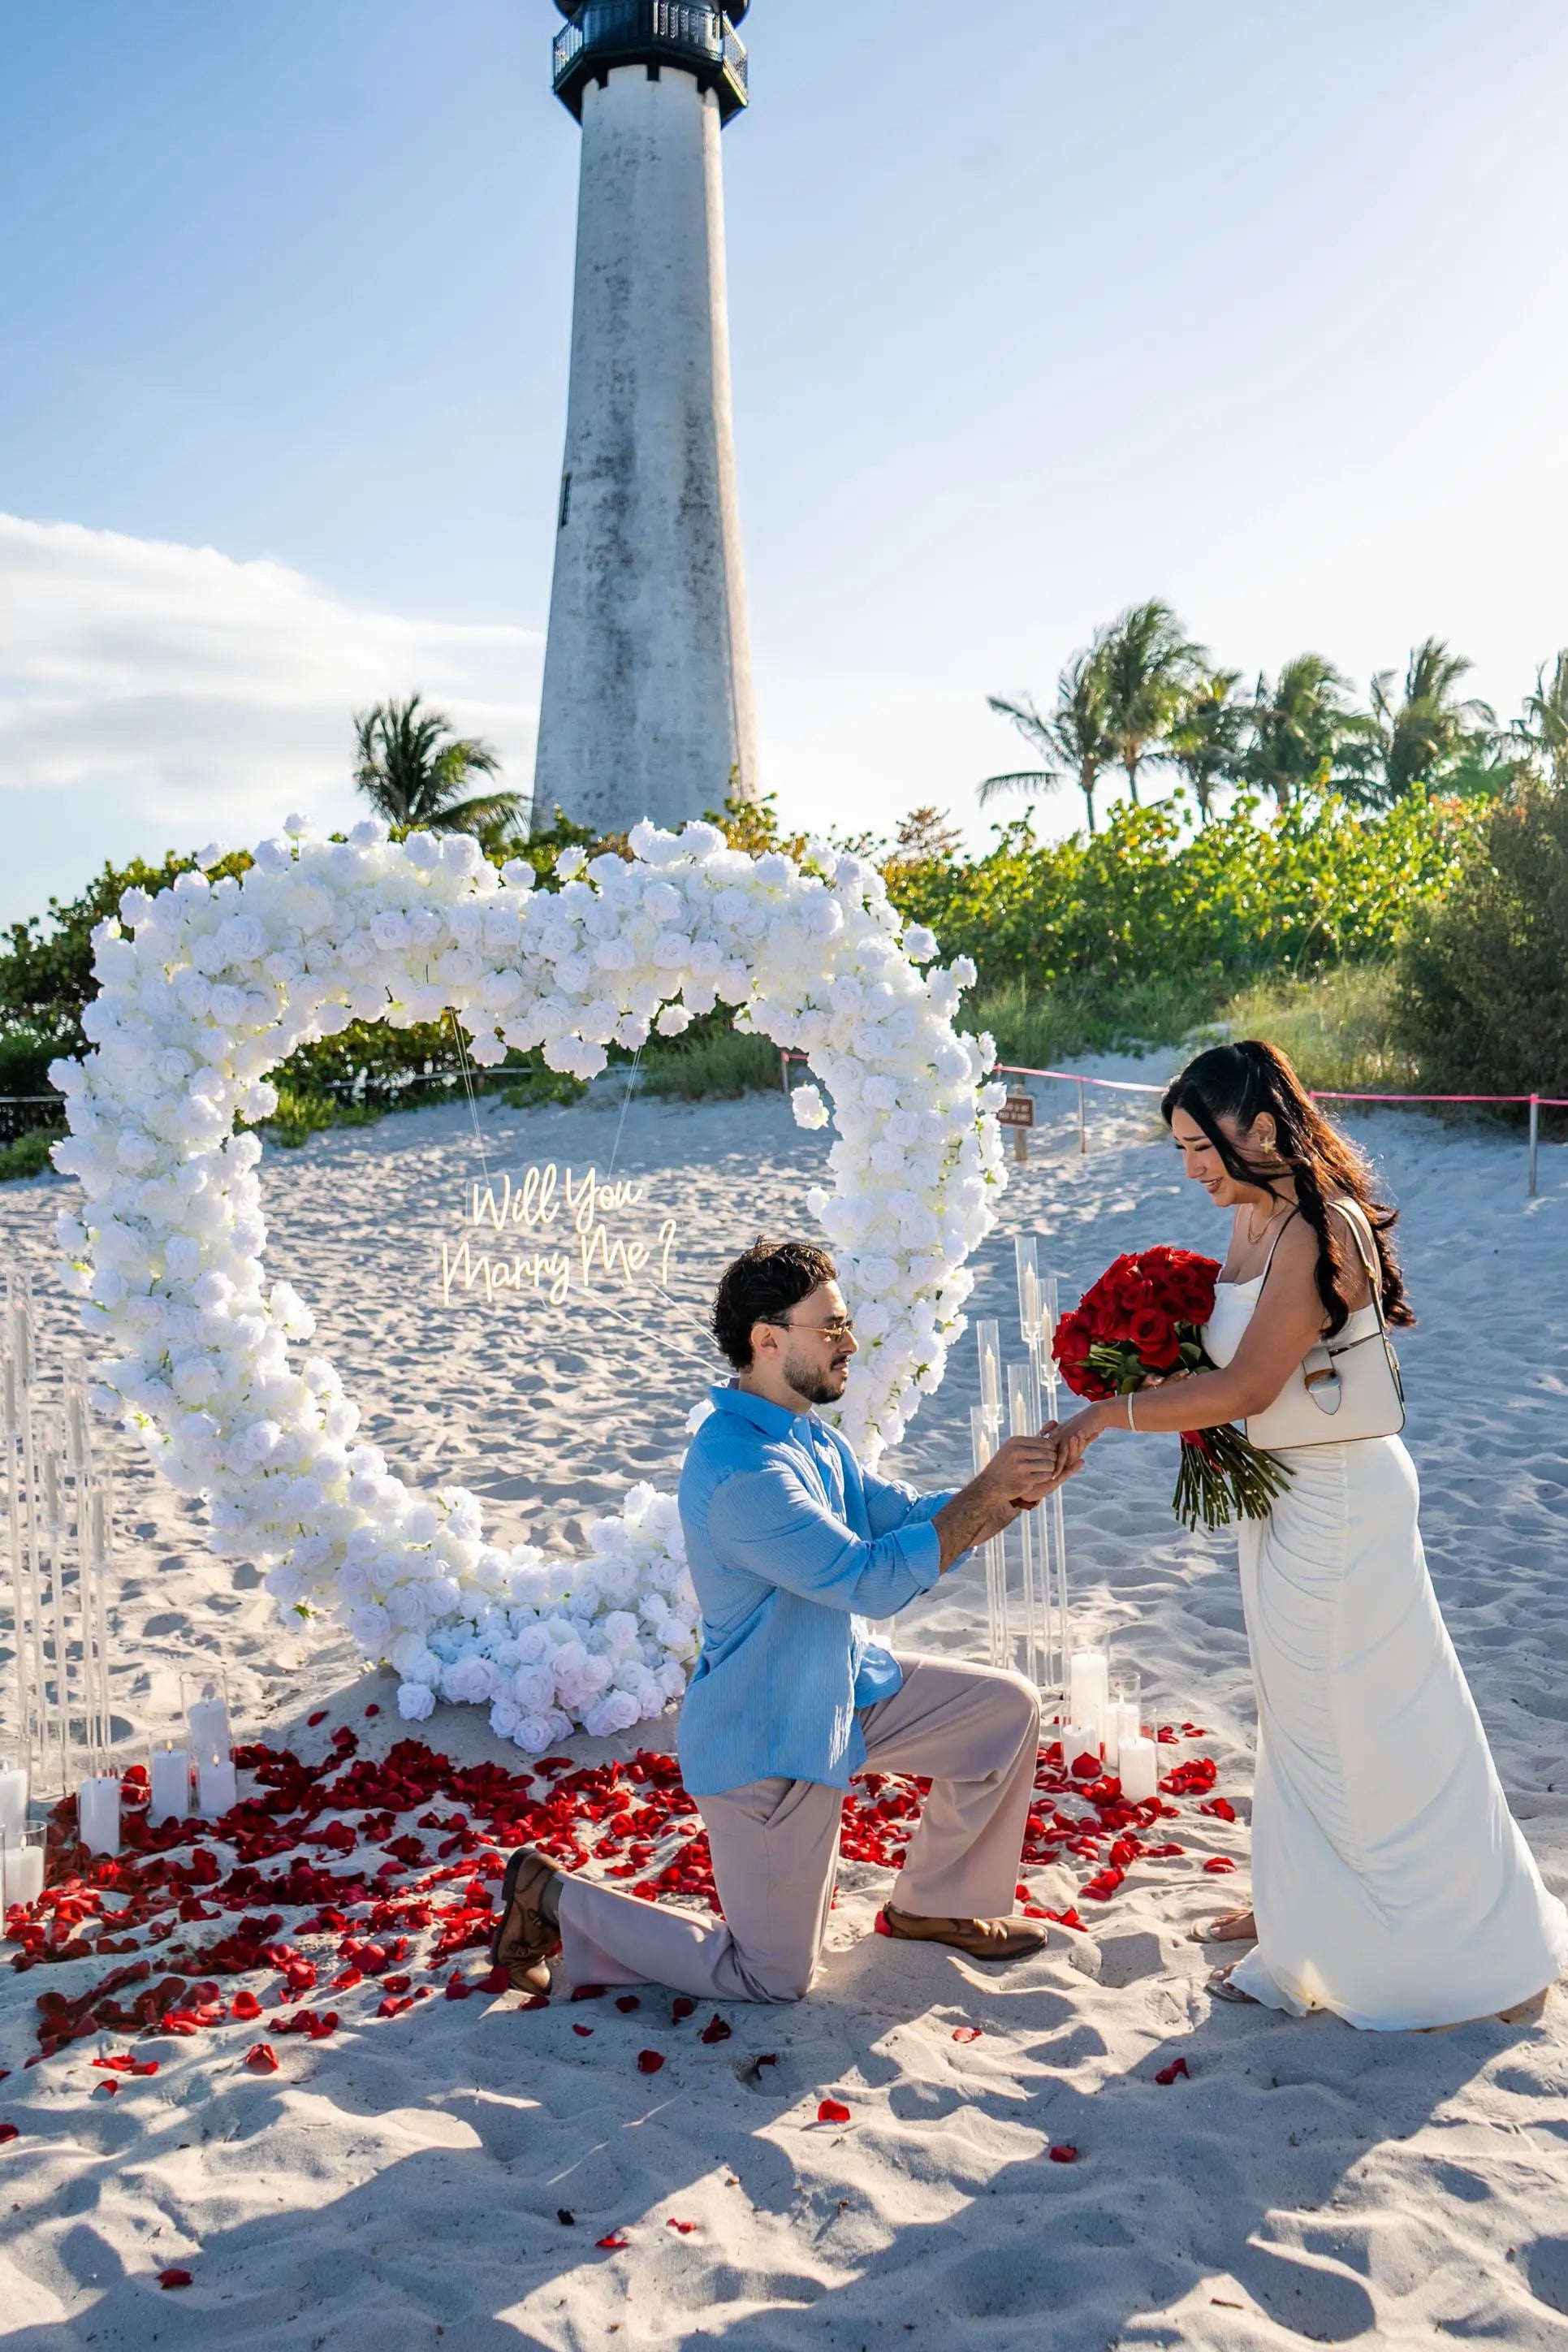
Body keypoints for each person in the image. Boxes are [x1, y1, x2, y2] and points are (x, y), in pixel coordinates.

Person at [1052, 1039, 1568, 2031]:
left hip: (1336, 1497)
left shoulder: (1317, 1229)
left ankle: (1436, 1938)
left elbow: (1248, 1385)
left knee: (1359, 1716)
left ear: (1261, 1127)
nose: (1193, 1167)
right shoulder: (1251, 1218)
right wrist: (1128, 1358)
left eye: (1204, 1145)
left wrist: (1099, 1418)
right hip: (1275, 1493)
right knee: (1296, 1713)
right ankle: (1303, 1906)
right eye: (1179, 1151)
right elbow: (1228, 1369)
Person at [491, 1237, 1078, 2001]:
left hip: (846, 1692)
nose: (849, 1343)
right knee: (772, 1979)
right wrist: (988, 1494)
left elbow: (902, 1518)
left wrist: (1013, 1488)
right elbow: (867, 1580)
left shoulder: (805, 1434)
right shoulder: (743, 1472)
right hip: (769, 1737)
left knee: (1003, 1713)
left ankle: (934, 1906)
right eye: (829, 1328)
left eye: (845, 1325)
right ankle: (551, 1896)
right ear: (767, 1341)